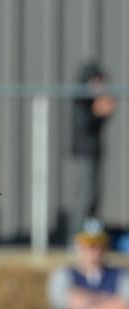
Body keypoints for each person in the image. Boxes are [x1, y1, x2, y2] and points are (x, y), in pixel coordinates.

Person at [47, 220, 129, 309]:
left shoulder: (121, 275)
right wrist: (109, 301)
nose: (93, 249)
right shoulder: (64, 275)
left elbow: (125, 308)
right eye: (88, 244)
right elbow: (68, 302)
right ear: (77, 245)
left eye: (98, 244)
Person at [68, 62, 115, 240]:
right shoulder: (81, 99)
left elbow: (100, 118)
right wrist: (97, 112)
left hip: (94, 152)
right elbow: (84, 123)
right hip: (84, 153)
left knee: (94, 195)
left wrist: (103, 112)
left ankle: (89, 235)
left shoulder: (92, 99)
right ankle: (75, 238)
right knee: (84, 196)